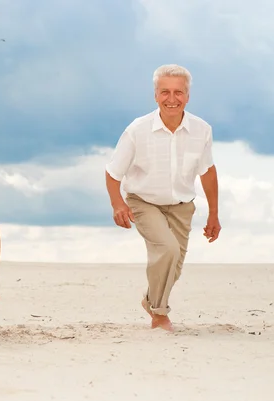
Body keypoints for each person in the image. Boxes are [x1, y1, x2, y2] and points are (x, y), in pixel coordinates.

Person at [105, 64, 221, 332]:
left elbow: (208, 172)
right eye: (165, 92)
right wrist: (117, 204)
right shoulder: (137, 130)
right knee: (167, 251)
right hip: (143, 203)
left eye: (178, 92)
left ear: (188, 96)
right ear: (155, 95)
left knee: (174, 267)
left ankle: (150, 300)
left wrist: (214, 213)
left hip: (182, 206)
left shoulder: (202, 130)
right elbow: (113, 173)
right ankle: (159, 315)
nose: (172, 99)